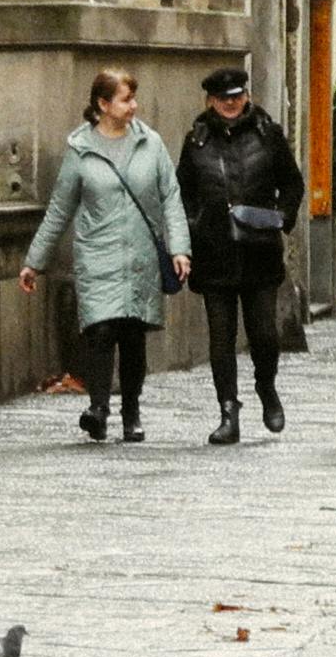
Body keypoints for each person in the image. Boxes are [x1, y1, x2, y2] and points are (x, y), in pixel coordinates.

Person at [19, 67, 191, 441]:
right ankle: (98, 407)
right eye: (126, 99)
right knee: (99, 330)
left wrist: (180, 249)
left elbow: (171, 198)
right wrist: (35, 262)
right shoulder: (81, 149)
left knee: (132, 335)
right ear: (103, 104)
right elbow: (59, 209)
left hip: (140, 255)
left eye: (133, 98)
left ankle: (132, 412)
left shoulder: (151, 143)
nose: (134, 106)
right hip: (98, 254)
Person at [173, 64, 305, 446]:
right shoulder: (196, 140)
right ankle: (227, 411)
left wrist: (282, 218)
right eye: (222, 99)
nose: (230, 104)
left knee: (263, 333)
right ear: (210, 102)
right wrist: (193, 226)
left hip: (259, 249)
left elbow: (291, 183)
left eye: (236, 97)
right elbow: (183, 191)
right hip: (213, 250)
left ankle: (266, 386)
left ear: (246, 96)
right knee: (221, 336)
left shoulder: (268, 134)